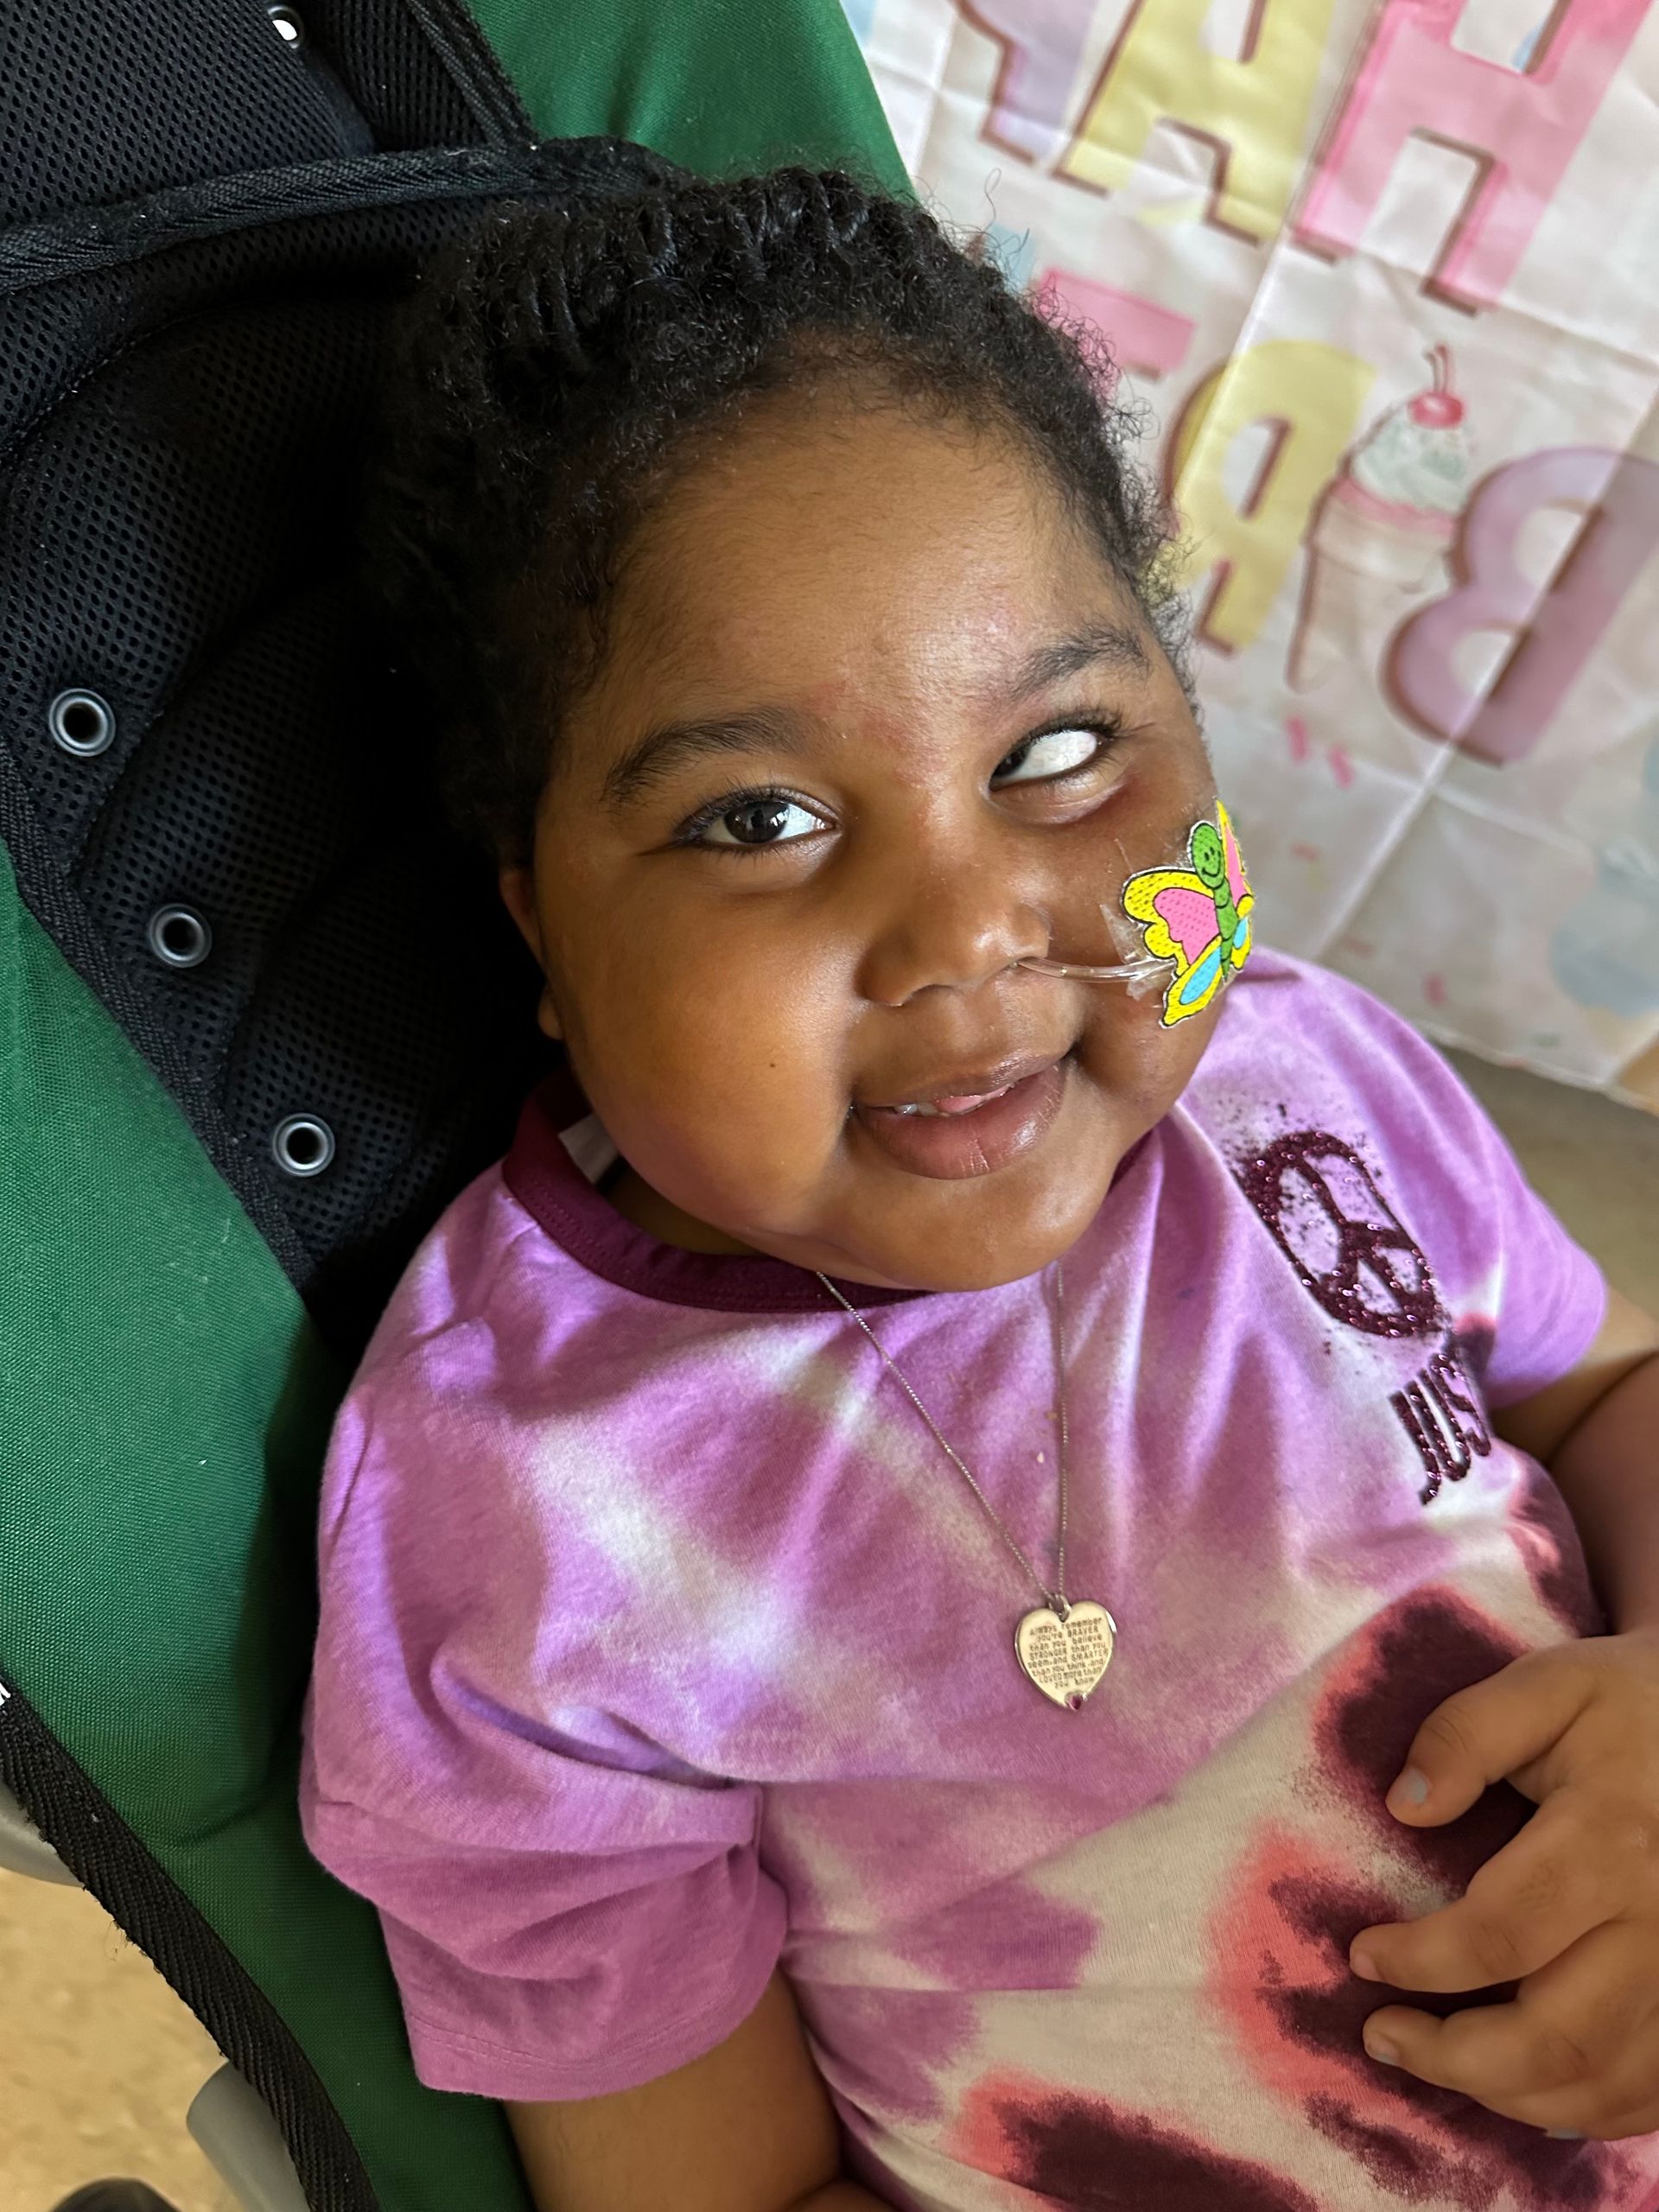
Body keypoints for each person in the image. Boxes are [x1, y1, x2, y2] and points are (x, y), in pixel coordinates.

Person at [298, 168, 1659, 2212]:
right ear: (543, 940)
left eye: (1059, 752)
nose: (969, 933)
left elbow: (1609, 1383)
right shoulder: (515, 1508)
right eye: (757, 817)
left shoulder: (1302, 1071)